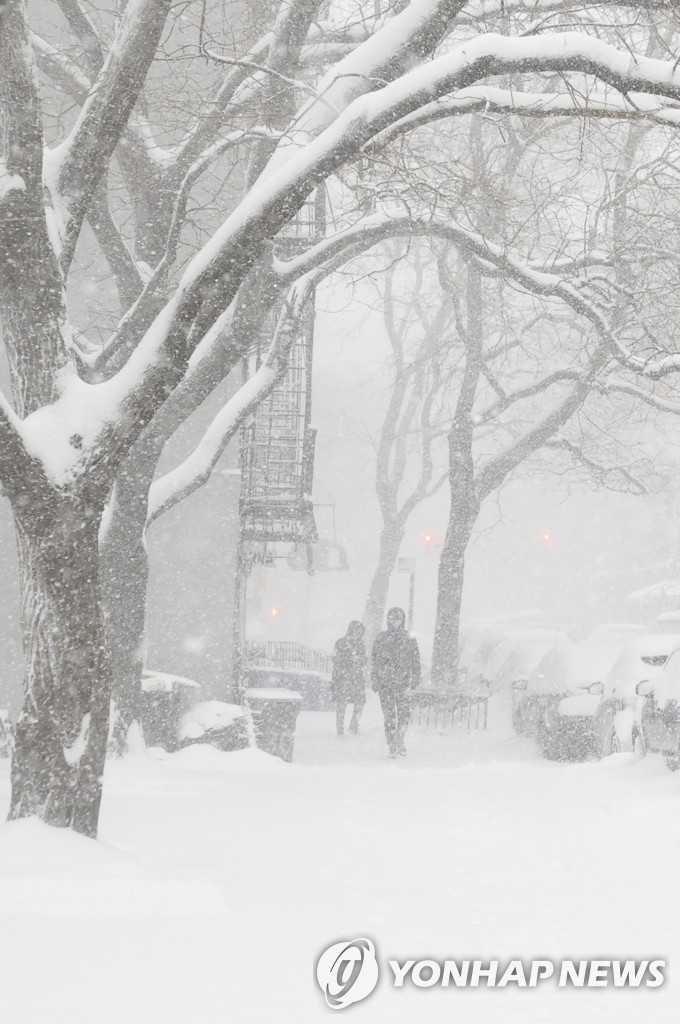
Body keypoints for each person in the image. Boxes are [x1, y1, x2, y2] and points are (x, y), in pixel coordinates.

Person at [371, 607, 421, 758]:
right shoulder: (381, 637)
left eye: (398, 619)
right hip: (385, 683)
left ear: (402, 620)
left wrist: (415, 679)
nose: (395, 622)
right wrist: (375, 679)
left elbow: (415, 660)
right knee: (389, 715)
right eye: (392, 619)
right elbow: (374, 661)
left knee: (404, 714)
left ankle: (400, 740)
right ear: (388, 619)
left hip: (403, 682)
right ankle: (392, 743)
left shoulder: (409, 638)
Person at [330, 620, 367, 736]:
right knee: (342, 702)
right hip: (343, 677)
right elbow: (335, 659)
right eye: (357, 630)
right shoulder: (341, 643)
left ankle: (353, 726)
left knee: (360, 701)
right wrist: (350, 660)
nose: (359, 633)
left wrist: (361, 660)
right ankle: (340, 728)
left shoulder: (361, 644)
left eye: (360, 631)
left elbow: (364, 659)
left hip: (355, 677)